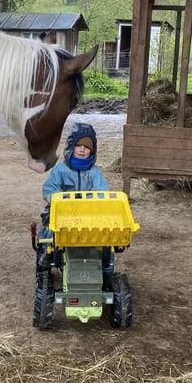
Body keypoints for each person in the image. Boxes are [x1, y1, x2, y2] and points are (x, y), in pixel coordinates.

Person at [38, 122, 114, 285]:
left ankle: (107, 262)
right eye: (78, 145)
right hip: (64, 212)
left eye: (86, 147)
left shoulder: (94, 172)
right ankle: (47, 251)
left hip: (88, 213)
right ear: (70, 146)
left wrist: (93, 201)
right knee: (49, 221)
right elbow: (49, 189)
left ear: (92, 150)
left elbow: (101, 191)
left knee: (106, 229)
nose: (81, 149)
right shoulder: (60, 170)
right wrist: (58, 199)